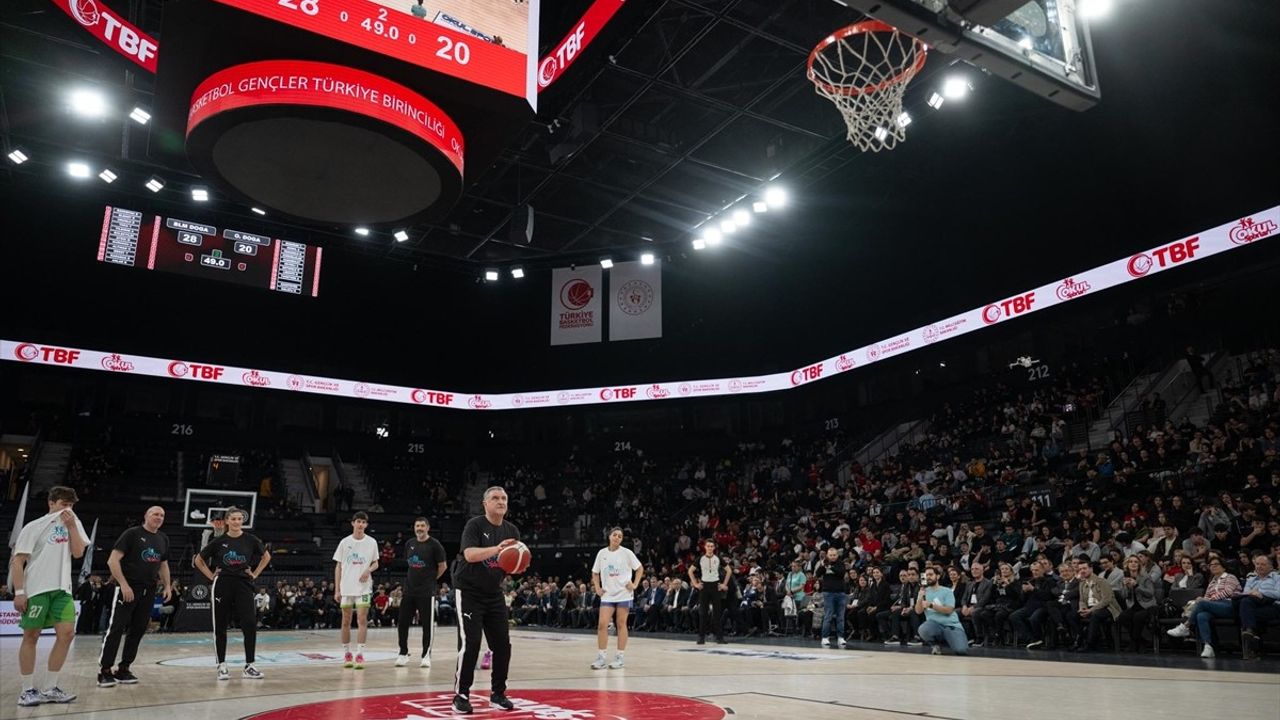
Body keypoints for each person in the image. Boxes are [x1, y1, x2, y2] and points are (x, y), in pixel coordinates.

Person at [10, 486, 88, 707]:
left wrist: (72, 525)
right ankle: (26, 690)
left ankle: (51, 687)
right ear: (51, 503)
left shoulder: (75, 523)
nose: (68, 509)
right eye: (64, 504)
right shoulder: (33, 527)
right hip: (37, 589)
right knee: (31, 636)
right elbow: (18, 561)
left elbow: (78, 552)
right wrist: (20, 592)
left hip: (63, 589)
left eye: (71, 505)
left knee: (67, 634)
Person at [452, 486, 520, 714]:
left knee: (503, 645)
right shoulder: (475, 525)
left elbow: (509, 565)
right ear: (485, 504)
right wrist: (497, 549)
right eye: (495, 498)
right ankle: (461, 695)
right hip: (469, 591)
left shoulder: (512, 530)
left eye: (504, 498)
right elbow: (470, 555)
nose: (500, 501)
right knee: (471, 644)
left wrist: (518, 565)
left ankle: (498, 694)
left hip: (494, 593)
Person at [194, 506, 271, 681]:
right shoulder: (219, 541)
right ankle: (221, 665)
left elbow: (266, 556)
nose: (237, 522)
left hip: (244, 584)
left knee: (250, 624)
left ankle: (249, 665)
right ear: (227, 521)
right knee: (220, 626)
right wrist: (210, 575)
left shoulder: (251, 539)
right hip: (223, 584)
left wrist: (256, 573)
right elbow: (198, 559)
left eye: (239, 519)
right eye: (233, 519)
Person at [98, 506, 172, 687]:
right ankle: (105, 670)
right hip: (128, 588)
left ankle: (124, 668)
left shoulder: (163, 538)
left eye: (162, 515)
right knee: (116, 629)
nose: (159, 517)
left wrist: (168, 585)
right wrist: (123, 584)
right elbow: (112, 560)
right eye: (155, 514)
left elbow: (163, 565)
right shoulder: (132, 534)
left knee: (138, 629)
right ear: (146, 516)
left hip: (149, 590)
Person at [590, 527, 644, 669]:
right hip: (607, 594)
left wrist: (635, 584)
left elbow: (639, 568)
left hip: (623, 593)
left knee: (621, 624)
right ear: (609, 536)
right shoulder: (602, 553)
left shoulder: (627, 553)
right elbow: (595, 573)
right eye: (615, 535)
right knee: (602, 624)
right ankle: (601, 657)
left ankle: (619, 657)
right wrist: (597, 588)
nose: (617, 538)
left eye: (620, 536)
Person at [1166, 556, 1241, 657]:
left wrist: (1206, 600)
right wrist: (1204, 600)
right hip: (1214, 607)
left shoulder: (1230, 577)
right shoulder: (1212, 581)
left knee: (1202, 603)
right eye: (1211, 565)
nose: (1213, 567)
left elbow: (1227, 592)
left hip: (1229, 605)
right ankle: (1208, 646)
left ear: (1223, 567)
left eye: (1216, 564)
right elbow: (1206, 596)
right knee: (1201, 615)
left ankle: (1186, 626)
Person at [398, 517, 447, 668]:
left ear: (428, 528)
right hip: (409, 590)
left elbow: (443, 566)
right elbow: (410, 564)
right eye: (417, 525)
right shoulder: (409, 544)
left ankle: (426, 655)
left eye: (422, 526)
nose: (419, 528)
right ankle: (403, 653)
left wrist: (431, 580)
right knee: (402, 623)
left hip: (426, 592)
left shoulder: (435, 545)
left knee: (427, 625)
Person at [334, 511, 379, 669]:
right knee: (345, 621)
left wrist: (368, 570)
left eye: (363, 522)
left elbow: (376, 563)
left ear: (366, 525)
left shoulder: (372, 542)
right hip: (346, 588)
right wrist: (337, 590)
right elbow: (338, 566)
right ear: (353, 523)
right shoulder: (344, 542)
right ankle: (347, 653)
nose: (360, 524)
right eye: (358, 521)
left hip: (364, 588)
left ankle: (360, 654)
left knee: (362, 619)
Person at [1234, 553, 1280, 661]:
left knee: (1245, 609)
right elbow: (1246, 593)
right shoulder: (1251, 579)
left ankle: (1249, 631)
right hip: (1254, 606)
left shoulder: (1277, 578)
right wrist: (1254, 594)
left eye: (1263, 564)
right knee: (1243, 602)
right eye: (1257, 564)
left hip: (1273, 606)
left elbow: (1278, 594)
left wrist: (1260, 592)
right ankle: (1251, 634)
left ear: (1270, 567)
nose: (1259, 566)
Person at [915, 567, 967, 655]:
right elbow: (918, 611)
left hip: (951, 626)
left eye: (931, 574)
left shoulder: (947, 591)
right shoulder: (923, 592)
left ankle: (950, 640)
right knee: (923, 629)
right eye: (926, 575)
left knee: (961, 650)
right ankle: (935, 645)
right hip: (934, 625)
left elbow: (949, 610)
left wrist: (931, 605)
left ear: (938, 576)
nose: (928, 577)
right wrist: (920, 598)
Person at [1073, 559, 1120, 652]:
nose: (1082, 571)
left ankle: (1090, 644)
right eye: (1080, 569)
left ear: (1091, 568)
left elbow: (1106, 599)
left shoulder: (1101, 581)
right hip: (1090, 608)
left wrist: (1091, 610)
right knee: (1072, 615)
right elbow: (1082, 600)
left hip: (1107, 608)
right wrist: (1082, 609)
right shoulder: (1082, 583)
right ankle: (1078, 641)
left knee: (1095, 615)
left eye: (1085, 568)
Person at [688, 538, 729, 644]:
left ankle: (719, 637)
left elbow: (729, 570)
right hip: (704, 586)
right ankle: (701, 637)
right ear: (705, 547)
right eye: (708, 546)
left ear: (714, 547)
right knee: (703, 613)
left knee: (717, 613)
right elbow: (690, 571)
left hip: (715, 586)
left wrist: (724, 584)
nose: (710, 548)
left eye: (712, 546)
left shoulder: (718, 558)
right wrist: (696, 584)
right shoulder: (700, 558)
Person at [814, 547, 849, 648]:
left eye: (834, 555)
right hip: (828, 593)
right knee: (828, 615)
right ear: (827, 556)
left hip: (840, 593)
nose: (833, 557)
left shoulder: (840, 564)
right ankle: (825, 637)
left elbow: (841, 573)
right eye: (831, 555)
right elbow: (817, 574)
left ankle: (841, 637)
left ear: (837, 555)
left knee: (840, 617)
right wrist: (823, 566)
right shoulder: (824, 564)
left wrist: (830, 566)